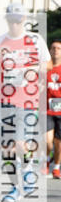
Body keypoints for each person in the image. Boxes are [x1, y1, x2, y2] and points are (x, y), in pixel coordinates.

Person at [0, 3, 50, 201]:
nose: (15, 23)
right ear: (7, 20)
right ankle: (15, 187)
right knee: (6, 149)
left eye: (18, 19)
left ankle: (28, 168)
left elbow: (44, 67)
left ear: (24, 19)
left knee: (20, 145)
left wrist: (36, 79)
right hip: (1, 102)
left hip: (25, 101)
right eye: (12, 19)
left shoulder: (36, 41)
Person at [46, 40, 61, 179]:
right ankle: (46, 158)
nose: (55, 50)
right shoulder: (45, 68)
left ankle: (56, 167)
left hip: (60, 111)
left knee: (58, 143)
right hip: (47, 110)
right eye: (53, 48)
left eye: (58, 48)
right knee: (48, 141)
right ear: (49, 51)